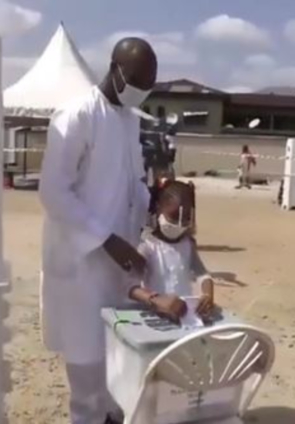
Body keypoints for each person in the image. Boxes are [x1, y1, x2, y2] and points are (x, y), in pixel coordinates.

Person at [39, 37, 157, 424]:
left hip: (121, 259)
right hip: (81, 263)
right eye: (138, 81)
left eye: (149, 84)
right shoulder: (76, 115)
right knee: (86, 357)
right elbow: (53, 191)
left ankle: (111, 416)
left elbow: (133, 182)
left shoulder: (129, 120)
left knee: (118, 354)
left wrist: (152, 209)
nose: (142, 90)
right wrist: (105, 239)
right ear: (115, 70)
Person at [129, 180, 215, 321]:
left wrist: (207, 295)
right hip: (155, 316)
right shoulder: (148, 245)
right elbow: (131, 286)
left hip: (184, 316)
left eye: (185, 219)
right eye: (174, 217)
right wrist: (155, 300)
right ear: (159, 208)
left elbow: (203, 275)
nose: (178, 225)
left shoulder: (188, 244)